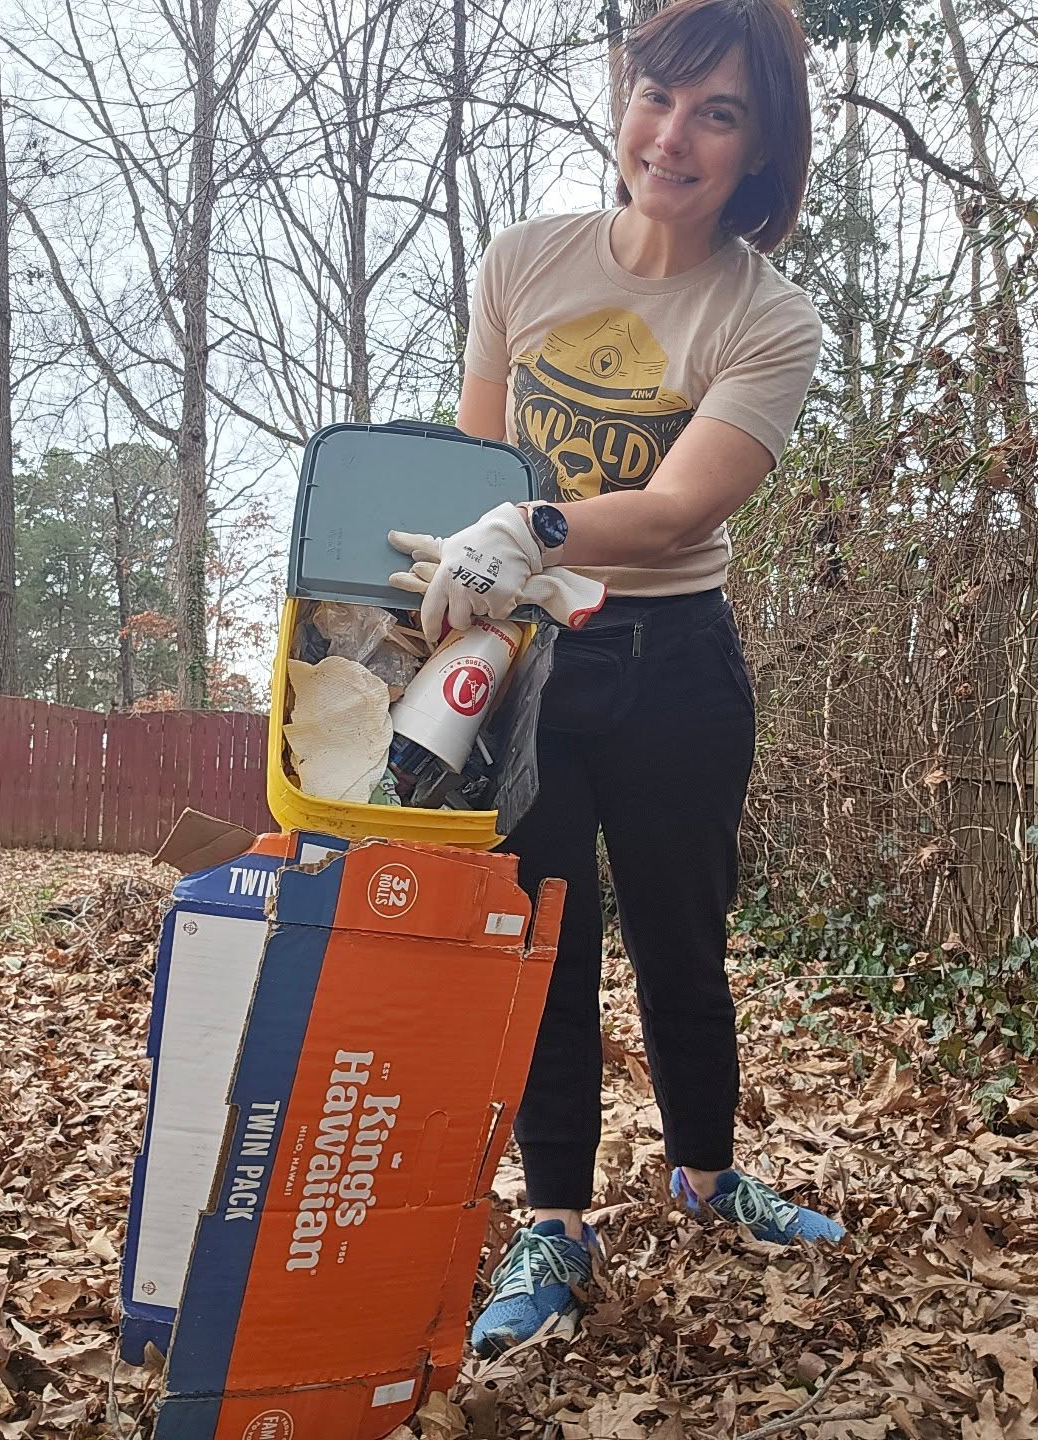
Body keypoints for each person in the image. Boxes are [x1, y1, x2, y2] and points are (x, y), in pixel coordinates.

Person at [389, 0, 846, 1361]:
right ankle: (560, 1219)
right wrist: (470, 582)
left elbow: (679, 509)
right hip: (527, 667)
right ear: (623, 91)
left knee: (679, 939)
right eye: (663, 95)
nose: (677, 136)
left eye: (722, 115)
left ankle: (706, 1171)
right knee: (544, 945)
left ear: (763, 151)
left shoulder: (769, 318)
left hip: (675, 667)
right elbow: (481, 466)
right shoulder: (524, 259)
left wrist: (527, 530)